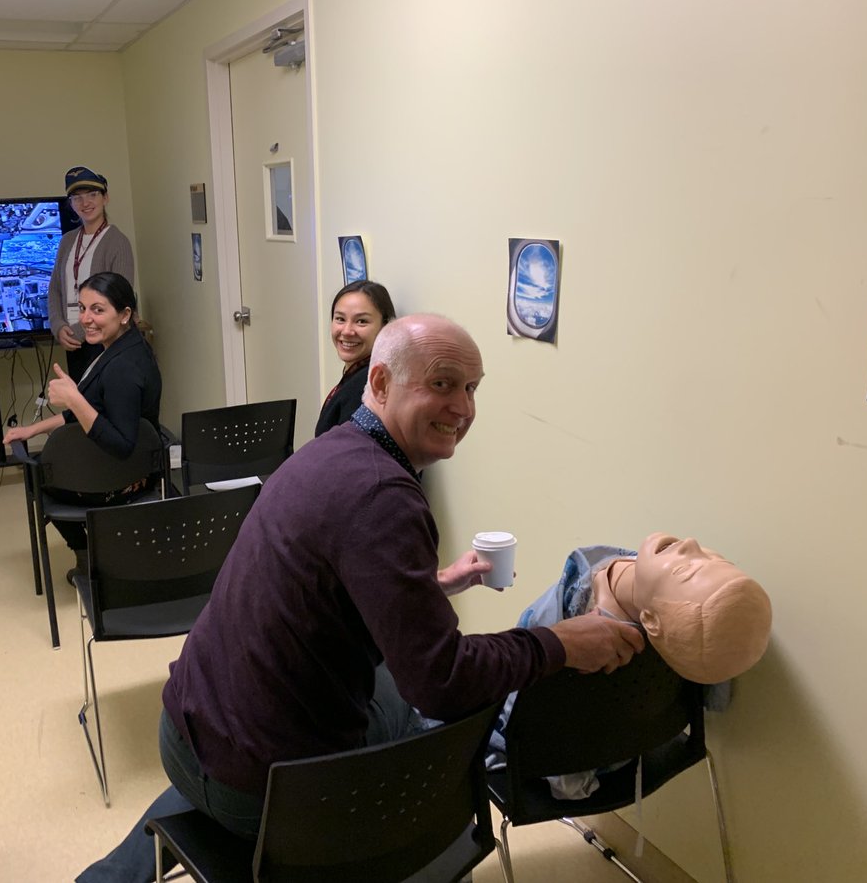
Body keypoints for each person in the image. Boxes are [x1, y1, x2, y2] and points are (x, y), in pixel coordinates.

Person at [76, 314, 642, 883]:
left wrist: (427, 588)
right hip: (262, 790)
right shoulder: (384, 496)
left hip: (188, 735)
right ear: (379, 384)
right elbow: (441, 683)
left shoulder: (330, 454)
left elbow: (317, 587)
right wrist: (559, 644)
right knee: (435, 709)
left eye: (472, 388)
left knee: (388, 683)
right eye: (442, 384)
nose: (464, 408)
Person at [486, 532, 772, 797]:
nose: (691, 544)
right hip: (636, 744)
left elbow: (523, 718)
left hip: (563, 759)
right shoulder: (679, 624)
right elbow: (716, 693)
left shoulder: (580, 635)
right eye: (716, 560)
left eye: (684, 572)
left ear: (649, 621)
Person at [6, 272, 160, 580]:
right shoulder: (124, 348)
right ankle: (100, 553)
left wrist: (74, 399)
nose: (86, 319)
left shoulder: (122, 369)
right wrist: (32, 430)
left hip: (118, 480)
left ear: (125, 314)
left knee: (43, 477)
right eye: (83, 308)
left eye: (98, 310)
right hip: (131, 472)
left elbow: (121, 445)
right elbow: (94, 412)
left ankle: (87, 554)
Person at [49, 166, 135, 382]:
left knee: (100, 407)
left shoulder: (117, 242)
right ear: (70, 204)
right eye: (77, 198)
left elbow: (120, 299)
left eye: (92, 195)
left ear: (105, 198)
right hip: (72, 341)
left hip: (105, 342)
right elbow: (55, 289)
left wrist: (80, 330)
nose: (85, 203)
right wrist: (59, 327)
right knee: (80, 404)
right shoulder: (67, 241)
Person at [314, 280, 397, 436]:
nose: (347, 331)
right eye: (340, 319)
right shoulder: (358, 373)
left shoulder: (371, 384)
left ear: (385, 326)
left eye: (361, 321)